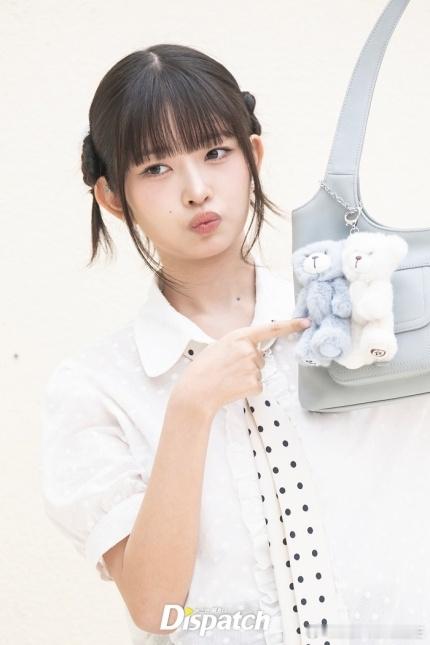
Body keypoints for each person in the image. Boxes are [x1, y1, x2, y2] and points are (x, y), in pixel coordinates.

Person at [41, 44, 430, 645]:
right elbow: (155, 609)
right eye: (156, 168)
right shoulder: (96, 389)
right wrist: (190, 408)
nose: (197, 190)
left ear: (253, 157)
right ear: (114, 197)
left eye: (216, 153)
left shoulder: (352, 316)